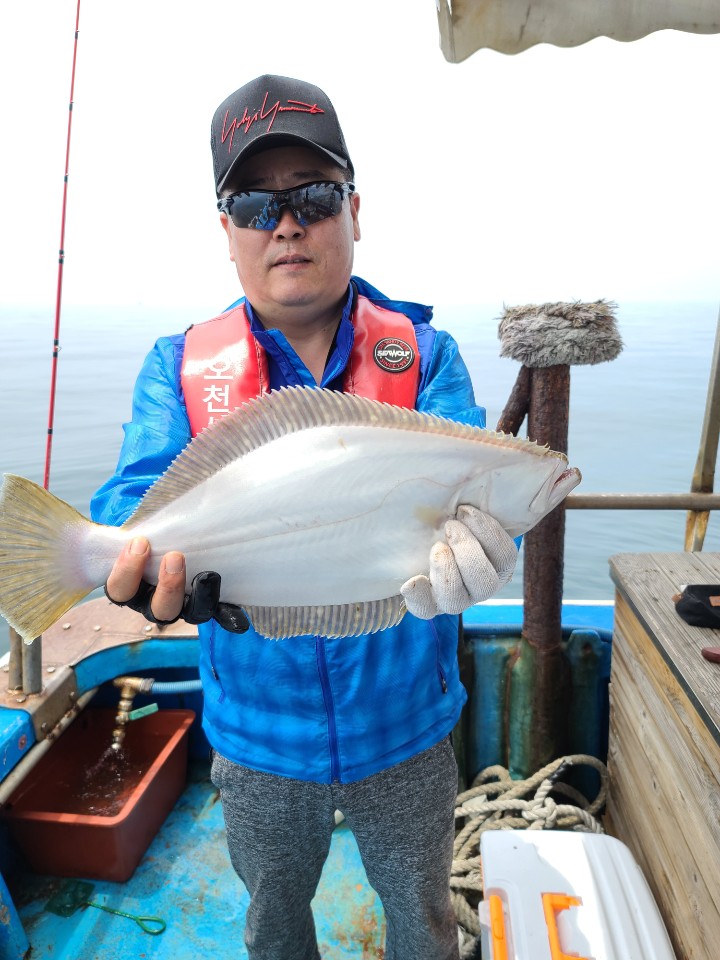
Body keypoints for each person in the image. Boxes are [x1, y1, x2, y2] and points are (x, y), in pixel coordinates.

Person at [93, 74, 518, 960]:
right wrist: (137, 579)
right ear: (227, 231)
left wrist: (485, 549)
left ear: (354, 210)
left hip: (406, 727)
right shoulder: (180, 368)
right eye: (253, 204)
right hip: (256, 735)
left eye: (313, 197)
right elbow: (129, 507)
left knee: (423, 918)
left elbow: (468, 501)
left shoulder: (428, 359)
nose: (285, 223)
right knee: (273, 925)